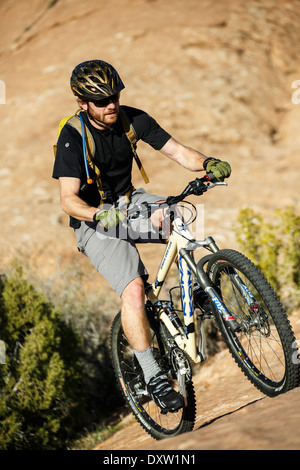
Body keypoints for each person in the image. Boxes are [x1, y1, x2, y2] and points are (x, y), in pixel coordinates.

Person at [52, 59, 231, 413]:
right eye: (101, 101)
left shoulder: (134, 119)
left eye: (114, 96)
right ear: (81, 103)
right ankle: (153, 375)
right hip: (95, 221)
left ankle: (196, 294)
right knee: (134, 290)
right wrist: (98, 213)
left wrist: (209, 163)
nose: (111, 105)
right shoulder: (73, 137)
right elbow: (68, 201)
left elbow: (178, 152)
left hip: (129, 203)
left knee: (177, 214)